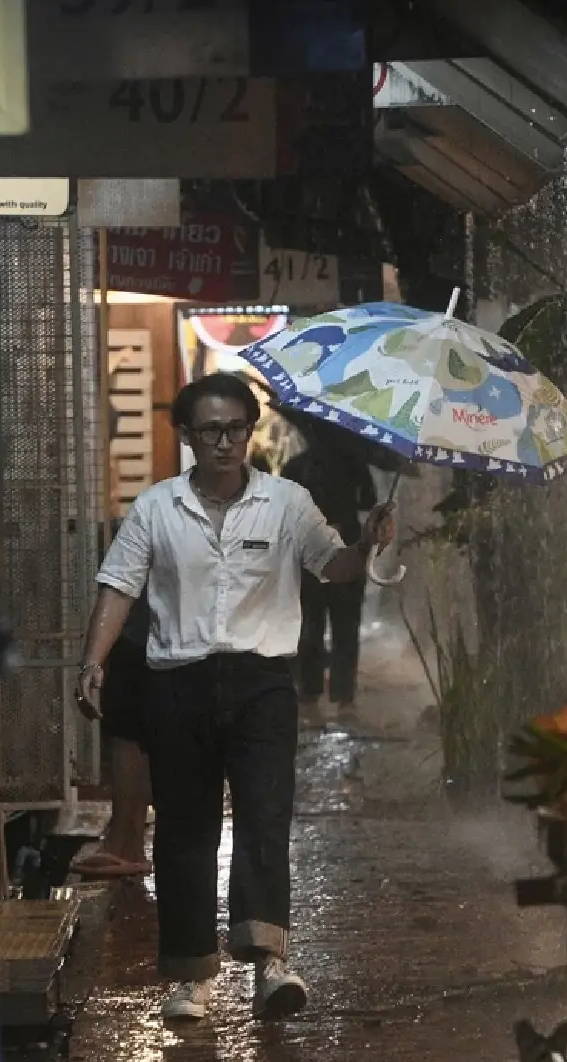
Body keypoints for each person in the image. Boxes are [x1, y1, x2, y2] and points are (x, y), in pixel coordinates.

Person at [74, 373, 395, 1023]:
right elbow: (118, 584)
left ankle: (270, 963)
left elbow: (331, 565)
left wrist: (368, 543)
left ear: (251, 431)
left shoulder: (286, 502)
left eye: (236, 428)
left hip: (263, 684)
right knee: (186, 830)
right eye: (210, 429)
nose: (225, 441)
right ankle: (192, 976)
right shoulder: (157, 508)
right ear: (187, 436)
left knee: (264, 816)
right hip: (179, 682)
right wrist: (93, 659)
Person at [282, 431, 380, 709]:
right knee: (346, 624)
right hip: (348, 548)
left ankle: (310, 690)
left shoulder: (295, 467)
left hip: (308, 552)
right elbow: (368, 501)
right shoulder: (355, 466)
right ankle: (343, 694)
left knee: (311, 621)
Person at [70, 562, 153, 879]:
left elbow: (121, 583)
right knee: (135, 732)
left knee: (128, 731)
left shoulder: (157, 512)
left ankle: (125, 842)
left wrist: (93, 661)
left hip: (145, 634)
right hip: (158, 632)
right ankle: (127, 839)